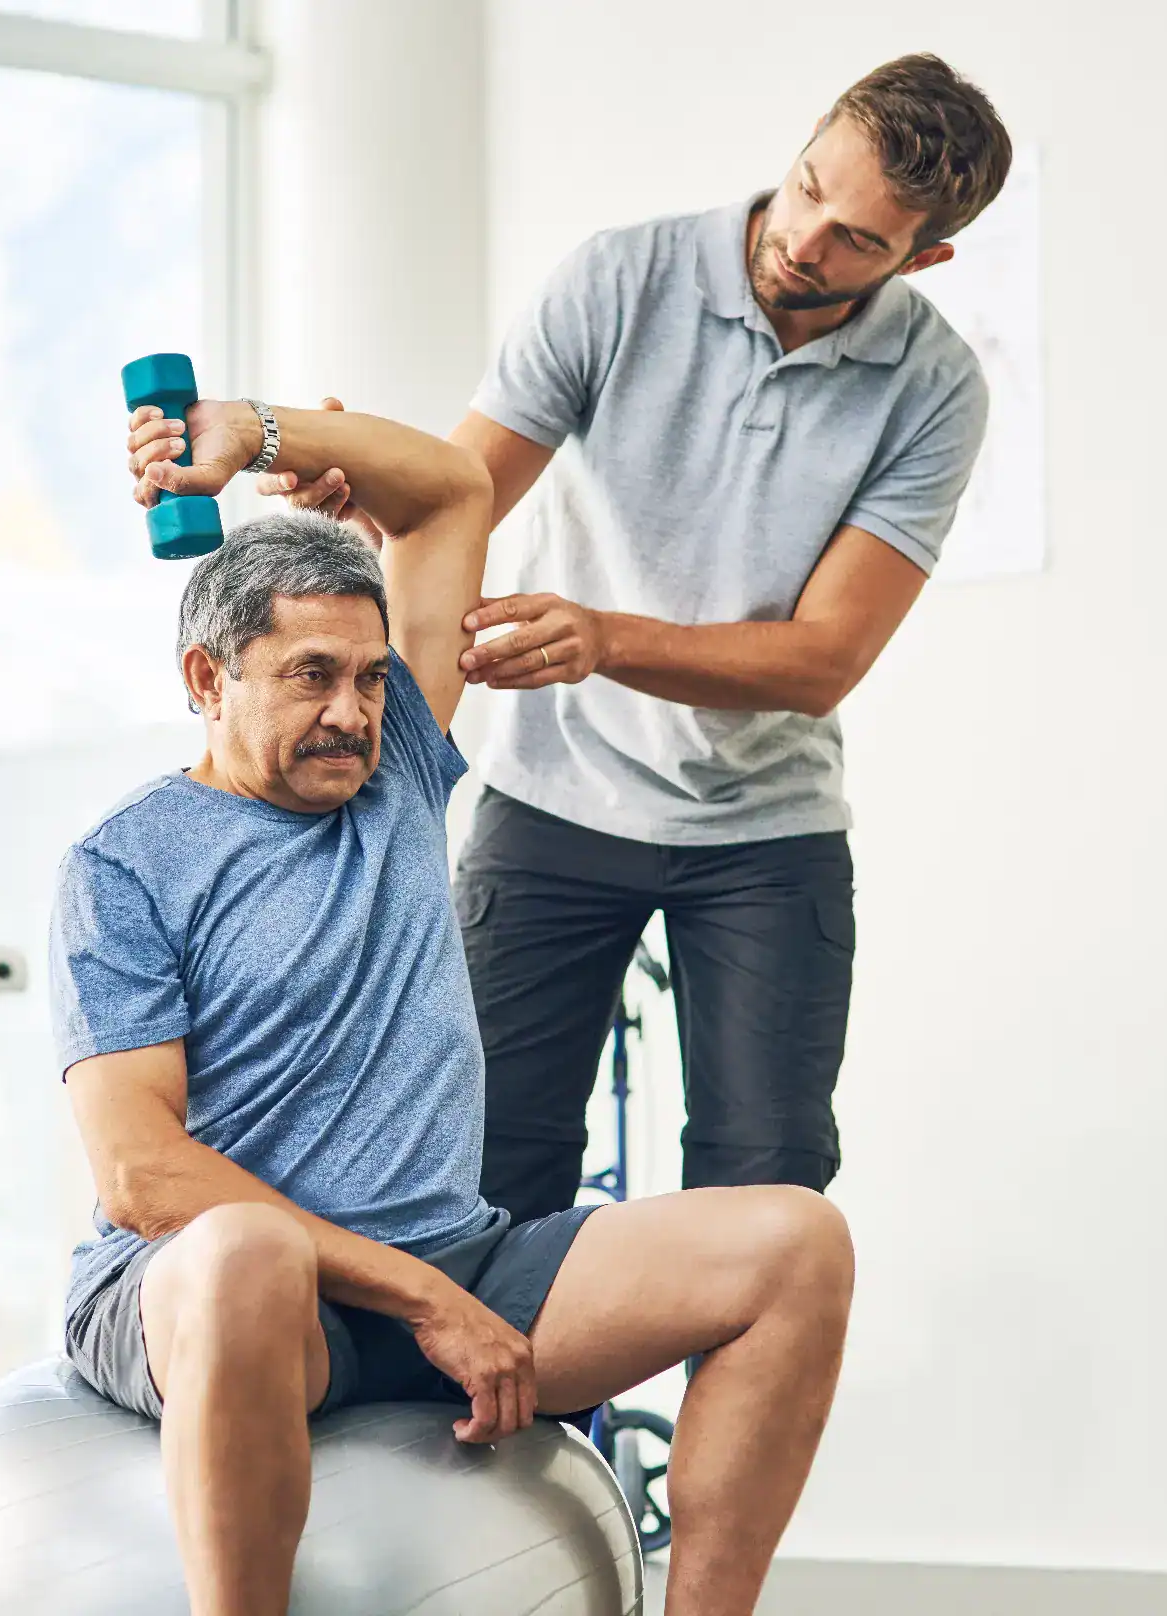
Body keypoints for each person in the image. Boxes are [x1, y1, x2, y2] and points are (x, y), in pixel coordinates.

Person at [48, 395, 854, 1616]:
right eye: (310, 675)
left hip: (451, 1247)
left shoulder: (395, 774)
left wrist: (253, 432)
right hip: (219, 1288)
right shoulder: (125, 861)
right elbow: (142, 1176)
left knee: (793, 1240)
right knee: (247, 1251)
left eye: (372, 677)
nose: (352, 711)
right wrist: (424, 1298)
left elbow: (448, 493)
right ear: (206, 679)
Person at [263, 54, 1013, 1221]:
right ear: (807, 138)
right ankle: (505, 1410)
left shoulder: (934, 389)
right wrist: (374, 489)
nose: (806, 237)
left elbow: (822, 660)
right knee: (479, 1165)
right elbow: (464, 493)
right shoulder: (622, 277)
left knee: (765, 1198)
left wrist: (602, 636)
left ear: (926, 258)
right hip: (554, 793)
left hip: (766, 828)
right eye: (808, 183)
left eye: (857, 238)